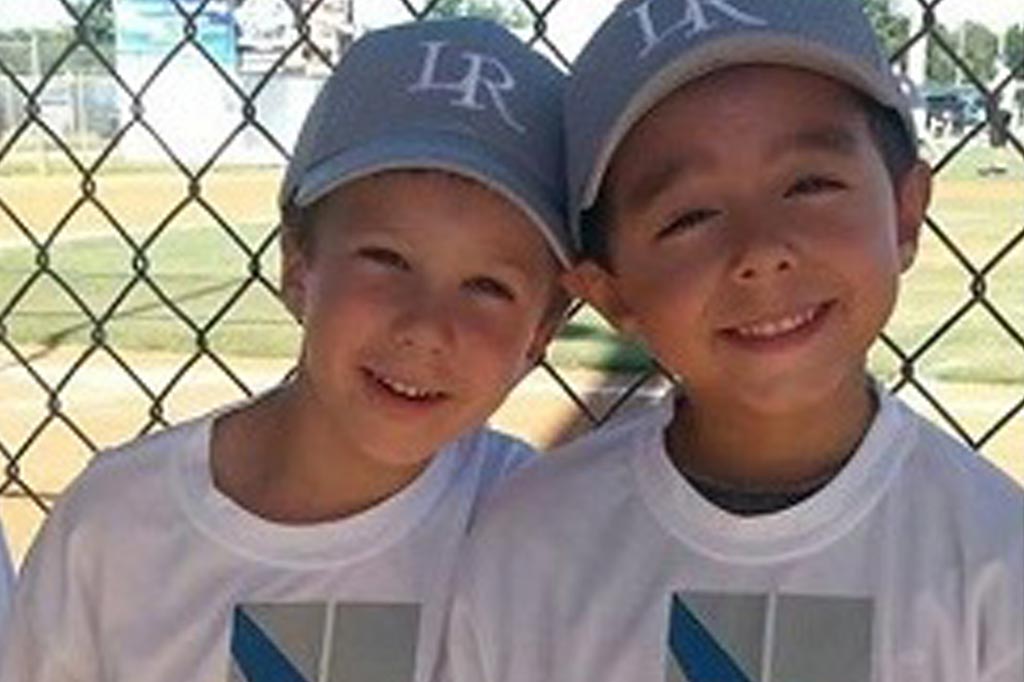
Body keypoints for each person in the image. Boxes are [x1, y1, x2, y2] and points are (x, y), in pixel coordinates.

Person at [443, 1, 1024, 680]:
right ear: (610, 293)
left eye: (810, 184)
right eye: (690, 216)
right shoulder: (531, 545)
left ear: (905, 213)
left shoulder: (996, 557)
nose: (761, 250)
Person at [0, 17, 570, 682]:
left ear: (541, 331)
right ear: (297, 265)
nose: (425, 326)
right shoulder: (115, 528)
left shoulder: (543, 534)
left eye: (487, 287)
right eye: (385, 258)